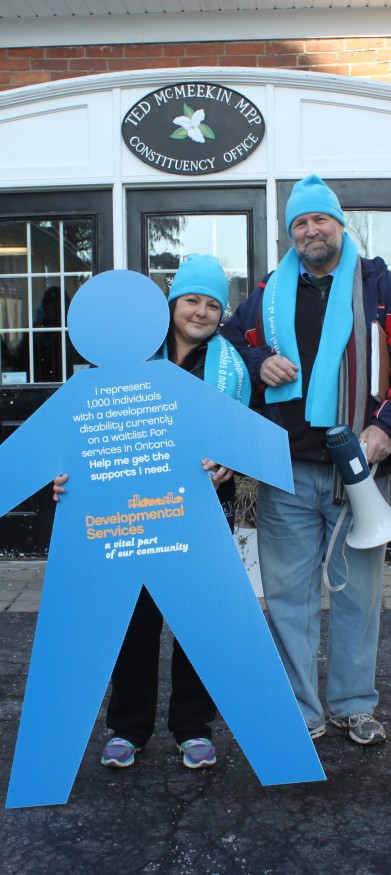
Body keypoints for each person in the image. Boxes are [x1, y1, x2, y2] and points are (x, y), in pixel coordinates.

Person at [222, 174, 391, 744]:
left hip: (360, 474)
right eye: (300, 223)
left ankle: (354, 704)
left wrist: (385, 428)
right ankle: (302, 711)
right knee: (289, 597)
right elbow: (231, 344)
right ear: (292, 234)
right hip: (286, 471)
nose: (311, 231)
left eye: (320, 220)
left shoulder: (382, 289)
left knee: (359, 594)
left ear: (340, 224)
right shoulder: (268, 292)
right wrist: (260, 357)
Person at [55, 254, 251, 770]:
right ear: (171, 304)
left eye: (213, 304)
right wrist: (66, 474)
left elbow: (242, 434)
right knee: (134, 621)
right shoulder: (130, 356)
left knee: (197, 624)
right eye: (192, 300)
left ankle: (192, 728)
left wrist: (230, 458)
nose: (202, 312)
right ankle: (127, 728)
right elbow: (90, 423)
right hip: (135, 510)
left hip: (205, 511)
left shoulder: (234, 367)